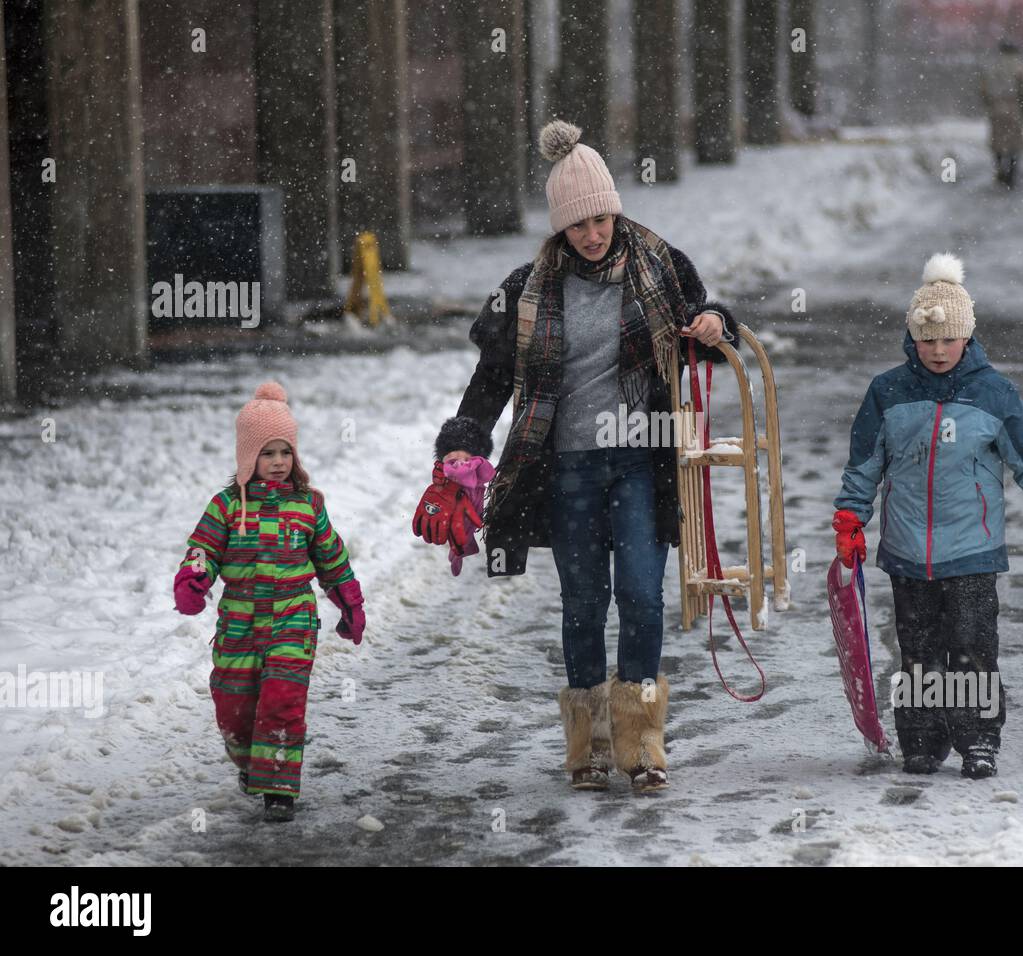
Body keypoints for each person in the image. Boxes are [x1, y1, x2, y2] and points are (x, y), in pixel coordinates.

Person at [416, 119, 739, 793]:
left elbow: (702, 331)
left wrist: (716, 325)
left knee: (644, 598)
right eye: (578, 225)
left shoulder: (660, 268)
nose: (593, 235)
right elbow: (493, 381)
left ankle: (642, 743)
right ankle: (588, 748)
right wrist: (460, 444)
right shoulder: (528, 290)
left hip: (641, 464)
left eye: (601, 219)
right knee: (584, 604)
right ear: (559, 229)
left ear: (615, 210)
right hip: (568, 470)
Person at [832, 254, 1023, 779]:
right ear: (911, 338)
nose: (938, 351)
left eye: (949, 339)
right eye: (927, 339)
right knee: (918, 650)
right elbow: (864, 464)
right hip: (906, 550)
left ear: (967, 336)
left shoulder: (993, 393)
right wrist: (850, 518)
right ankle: (922, 739)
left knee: (971, 649)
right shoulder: (888, 392)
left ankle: (978, 738)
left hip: (972, 549)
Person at [175, 381, 364, 822]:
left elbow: (332, 558)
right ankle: (250, 763)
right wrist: (192, 580)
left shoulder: (308, 506)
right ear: (247, 457)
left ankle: (278, 788)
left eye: (285, 453)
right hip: (238, 623)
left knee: (282, 699)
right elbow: (203, 550)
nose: (278, 463)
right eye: (267, 453)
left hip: (292, 620)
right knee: (233, 705)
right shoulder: (226, 507)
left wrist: (350, 604)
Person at [979, 38, 1023, 188]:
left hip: (996, 106)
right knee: (1014, 141)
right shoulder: (1019, 65)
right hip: (1014, 106)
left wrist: (988, 102)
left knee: (997, 140)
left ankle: (999, 168)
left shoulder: (991, 65)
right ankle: (1012, 171)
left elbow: (983, 88)